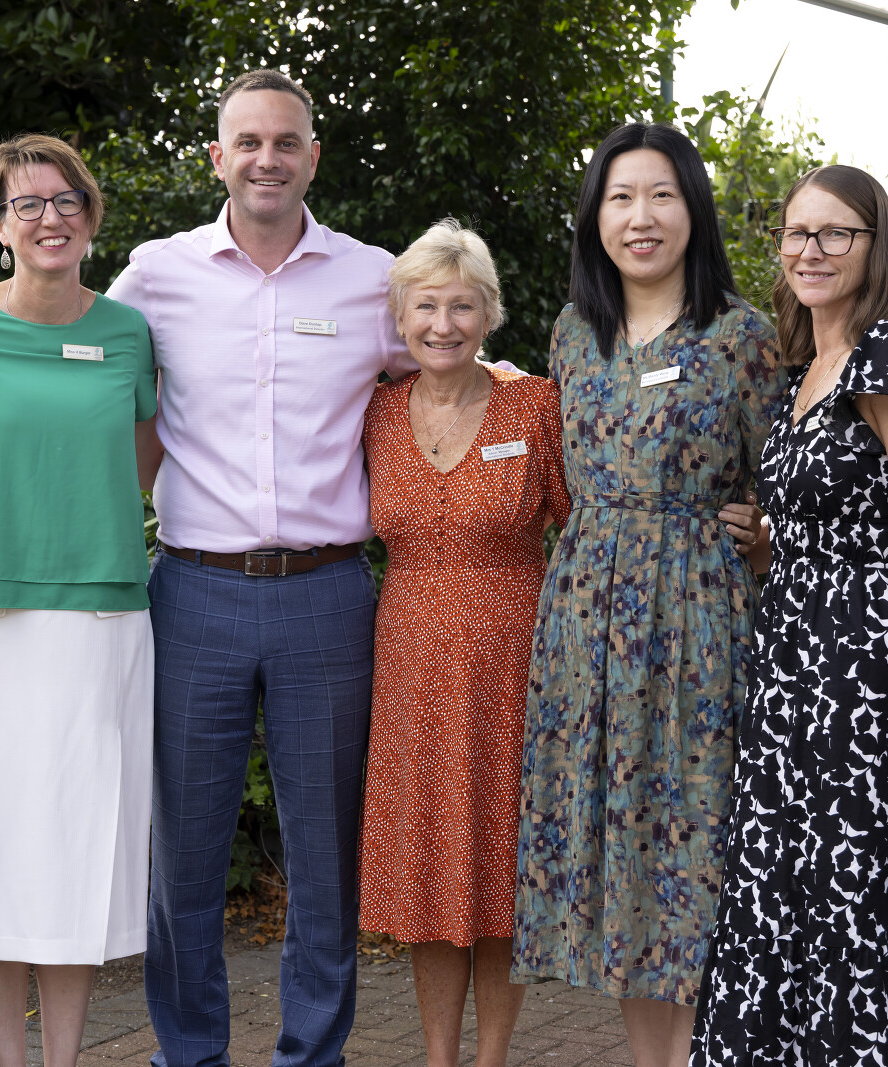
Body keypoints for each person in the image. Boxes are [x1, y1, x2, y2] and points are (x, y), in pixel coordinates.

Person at [105, 70, 416, 1067]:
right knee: (185, 852)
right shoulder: (156, 275)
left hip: (329, 594)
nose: (267, 159)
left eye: (286, 142)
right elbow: (76, 364)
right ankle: (188, 1052)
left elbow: (447, 375)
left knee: (325, 853)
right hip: (192, 589)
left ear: (313, 157)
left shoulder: (374, 277)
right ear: (217, 157)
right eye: (248, 142)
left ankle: (311, 1054)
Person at [690, 164, 888, 1066]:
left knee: (855, 923)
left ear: (873, 244)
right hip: (790, 678)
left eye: (834, 233)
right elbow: (856, 530)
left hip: (863, 689)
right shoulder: (807, 370)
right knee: (780, 910)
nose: (810, 250)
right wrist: (762, 539)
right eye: (796, 232)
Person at [511, 123, 787, 1067]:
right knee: (624, 855)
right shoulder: (572, 333)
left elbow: (790, 485)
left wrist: (762, 533)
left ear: (693, 210)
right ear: (596, 216)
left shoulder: (741, 337)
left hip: (699, 619)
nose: (641, 217)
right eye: (621, 197)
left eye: (661, 195)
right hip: (587, 619)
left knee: (697, 842)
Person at [0, 134, 157, 1067]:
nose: (50, 218)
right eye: (27, 204)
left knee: (77, 850)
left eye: (66, 200)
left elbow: (141, 459)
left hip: (99, 617)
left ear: (91, 216)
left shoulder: (127, 331)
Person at [356, 220, 573, 1067]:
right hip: (409, 666)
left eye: (461, 306)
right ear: (400, 316)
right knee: (427, 868)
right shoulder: (376, 411)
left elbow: (583, 527)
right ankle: (440, 1056)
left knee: (501, 866)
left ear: (489, 313)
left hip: (514, 668)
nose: (442, 324)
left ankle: (492, 1058)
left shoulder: (536, 405)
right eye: (425, 306)